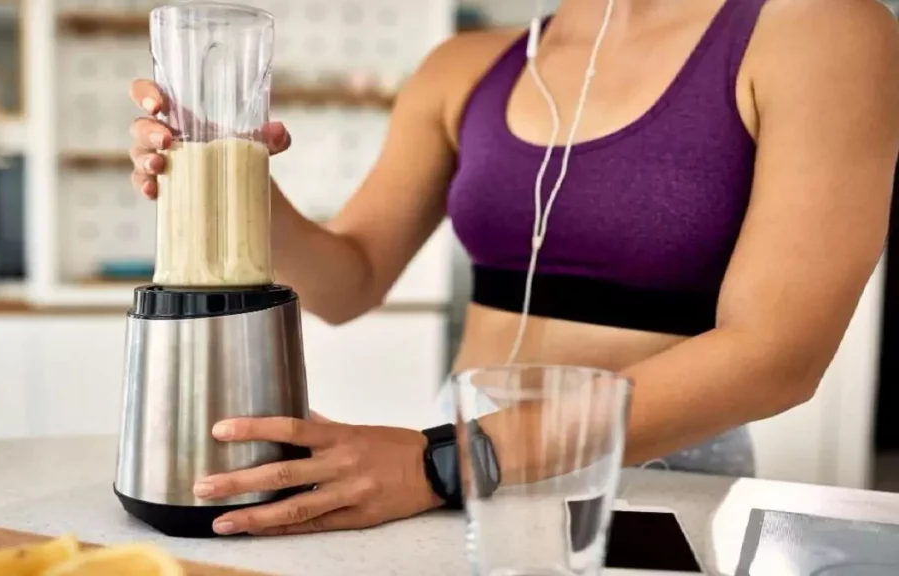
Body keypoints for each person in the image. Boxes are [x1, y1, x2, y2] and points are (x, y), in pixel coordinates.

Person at [127, 0, 899, 536]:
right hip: (456, 469)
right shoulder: (464, 66)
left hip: (654, 472)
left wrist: (445, 463)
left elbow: (779, 357)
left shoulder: (821, 32)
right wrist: (226, 172)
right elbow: (347, 281)